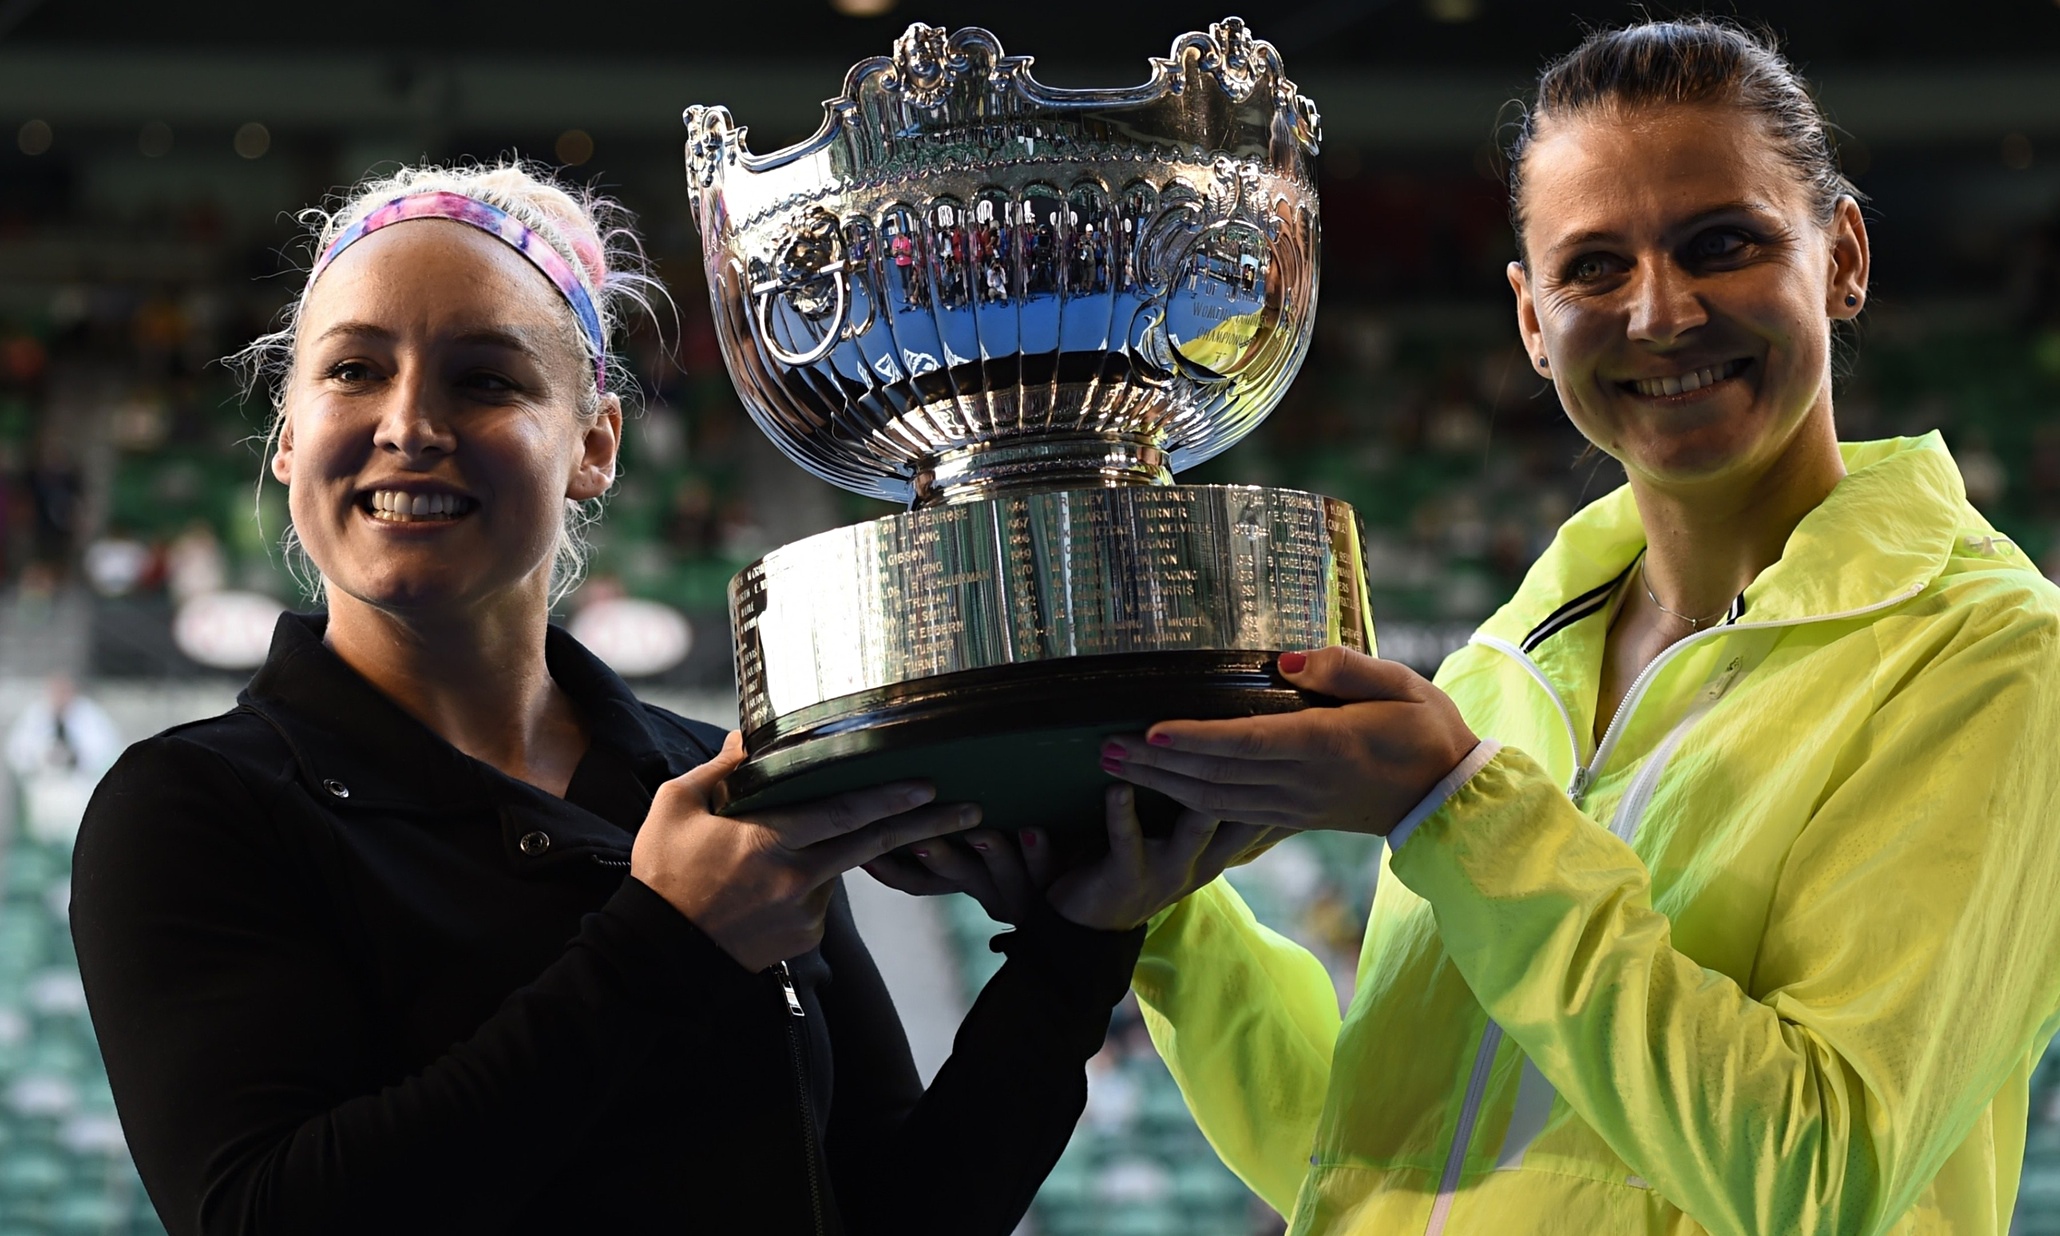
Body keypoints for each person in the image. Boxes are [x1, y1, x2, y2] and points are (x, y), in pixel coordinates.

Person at [68, 162, 1254, 1236]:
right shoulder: (193, 806)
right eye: (353, 369)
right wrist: (664, 946)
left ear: (593, 445)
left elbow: (899, 1214)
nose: (411, 422)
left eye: (485, 379)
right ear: (288, 438)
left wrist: (1070, 957)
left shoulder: (727, 779)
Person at [1093, 20, 2060, 1236]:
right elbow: (1363, 1168)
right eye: (1592, 267)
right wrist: (1165, 921)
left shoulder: (1987, 656)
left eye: (1722, 243)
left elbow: (1819, 1176)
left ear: (1843, 257)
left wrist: (1457, 813)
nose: (1659, 313)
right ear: (1529, 320)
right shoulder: (1499, 670)